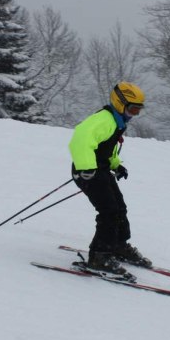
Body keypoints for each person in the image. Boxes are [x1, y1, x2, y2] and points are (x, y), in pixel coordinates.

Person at [69, 82, 152, 275]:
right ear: (120, 103)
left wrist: (116, 165)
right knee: (109, 211)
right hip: (87, 172)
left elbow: (107, 147)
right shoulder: (104, 120)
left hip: (101, 170)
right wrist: (86, 166)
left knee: (119, 208)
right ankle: (99, 256)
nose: (134, 114)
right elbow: (80, 138)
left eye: (138, 111)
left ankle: (117, 245)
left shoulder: (116, 121)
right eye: (132, 109)